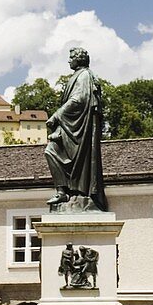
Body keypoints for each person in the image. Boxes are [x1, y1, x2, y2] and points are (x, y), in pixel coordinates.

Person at [45, 46, 107, 212]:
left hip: (78, 130)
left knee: (52, 151)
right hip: (70, 126)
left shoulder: (84, 75)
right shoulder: (78, 76)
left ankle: (71, 192)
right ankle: (62, 191)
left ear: (78, 59)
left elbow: (79, 99)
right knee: (50, 151)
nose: (68, 60)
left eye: (71, 57)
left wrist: (57, 115)